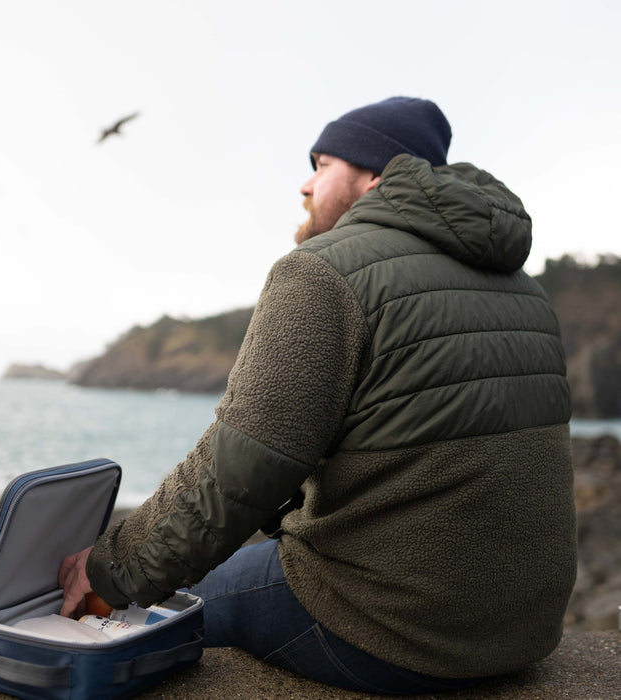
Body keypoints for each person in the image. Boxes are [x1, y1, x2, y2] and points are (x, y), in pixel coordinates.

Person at [59, 96, 577, 695]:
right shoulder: (526, 291)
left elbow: (237, 473)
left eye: (323, 164)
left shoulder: (322, 271)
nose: (305, 185)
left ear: (378, 175)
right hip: (522, 632)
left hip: (395, 634)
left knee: (140, 609)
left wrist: (110, 571)